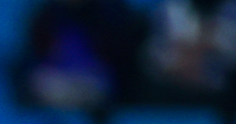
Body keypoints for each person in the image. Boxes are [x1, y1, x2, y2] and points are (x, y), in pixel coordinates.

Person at [16, 0, 144, 111]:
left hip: (95, 80)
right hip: (57, 80)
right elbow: (34, 56)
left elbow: (118, 59)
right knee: (38, 81)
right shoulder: (46, 15)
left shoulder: (110, 12)